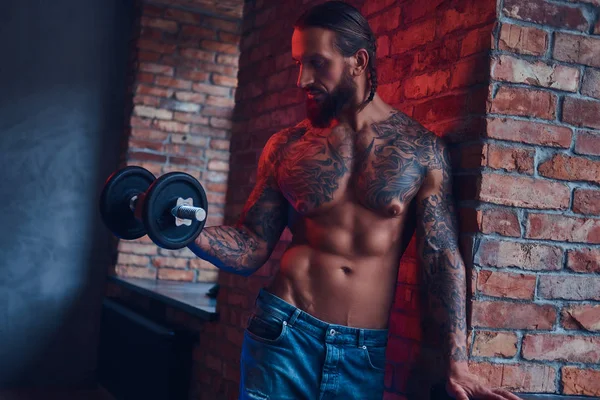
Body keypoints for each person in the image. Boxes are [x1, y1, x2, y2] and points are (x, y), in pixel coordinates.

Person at [188, 2, 522, 399]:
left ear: (358, 61)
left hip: (361, 353)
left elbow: (442, 258)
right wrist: (183, 229)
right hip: (282, 334)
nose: (302, 79)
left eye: (316, 62)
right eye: (299, 63)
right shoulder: (288, 146)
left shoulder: (421, 151)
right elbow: (251, 245)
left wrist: (458, 364)